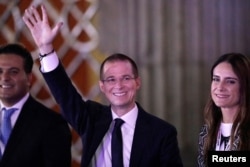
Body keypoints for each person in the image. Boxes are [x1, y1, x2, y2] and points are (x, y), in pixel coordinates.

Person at [22, 4, 183, 167]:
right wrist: (45, 47)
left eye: (126, 78)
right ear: (102, 86)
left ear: (137, 82)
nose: (119, 85)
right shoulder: (91, 118)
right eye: (111, 80)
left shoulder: (162, 132)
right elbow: (64, 94)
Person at [0, 43, 72, 167]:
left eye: (13, 72)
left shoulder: (52, 124)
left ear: (29, 78)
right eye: (0, 71)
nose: (4, 78)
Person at [197, 53, 250, 166]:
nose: (220, 87)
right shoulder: (206, 132)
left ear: (245, 86)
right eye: (216, 79)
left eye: (230, 81)